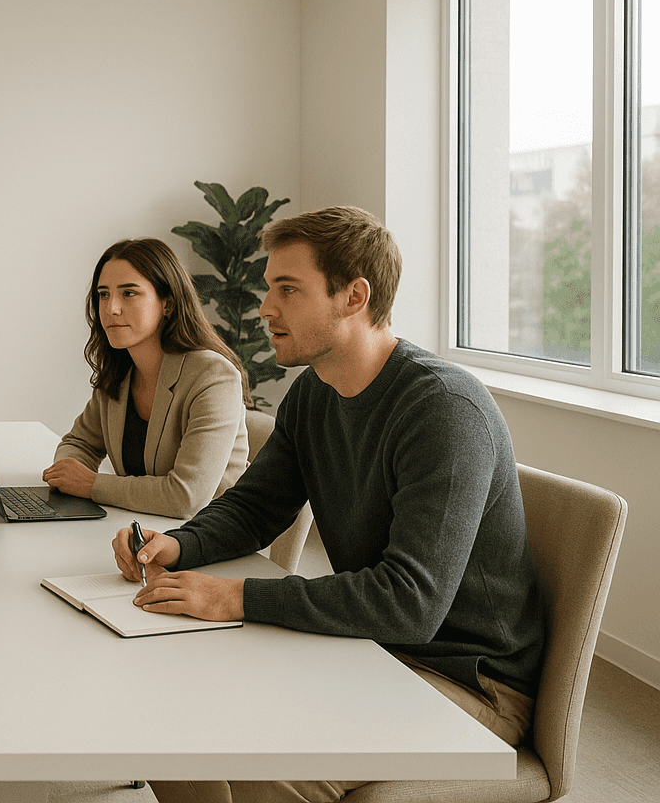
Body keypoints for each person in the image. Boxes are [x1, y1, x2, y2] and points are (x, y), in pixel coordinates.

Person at [111, 207, 544, 803]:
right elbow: (257, 506)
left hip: (465, 681)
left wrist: (234, 595)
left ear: (353, 297)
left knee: (269, 773)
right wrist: (179, 543)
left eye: (287, 289)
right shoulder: (315, 391)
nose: (266, 308)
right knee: (178, 714)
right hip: (370, 649)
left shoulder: (443, 410)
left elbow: (409, 602)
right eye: (269, 289)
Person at [43, 238, 251, 518]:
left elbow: (186, 498)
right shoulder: (120, 370)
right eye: (103, 294)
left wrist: (91, 484)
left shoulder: (213, 376)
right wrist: (68, 474)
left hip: (206, 538)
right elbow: (79, 443)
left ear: (167, 303)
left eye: (129, 293)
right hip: (139, 527)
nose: (111, 308)